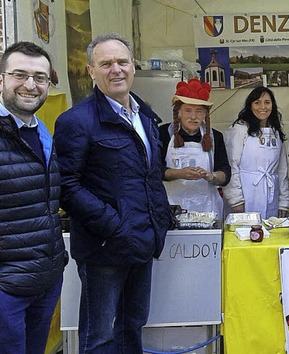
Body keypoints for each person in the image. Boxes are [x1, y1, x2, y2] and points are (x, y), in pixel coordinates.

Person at [54, 33, 172, 353]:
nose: (115, 69)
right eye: (106, 63)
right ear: (92, 71)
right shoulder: (75, 121)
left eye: (122, 61)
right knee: (101, 335)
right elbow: (66, 186)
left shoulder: (144, 116)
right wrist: (114, 226)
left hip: (143, 242)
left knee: (133, 325)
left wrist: (159, 221)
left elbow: (150, 176)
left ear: (133, 66)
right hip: (104, 248)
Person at [0, 41, 67, 354]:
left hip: (45, 281)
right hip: (6, 288)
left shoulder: (42, 133)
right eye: (19, 75)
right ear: (1, 79)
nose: (30, 85)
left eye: (40, 77)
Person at [159, 78, 231, 218]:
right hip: (172, 208)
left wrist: (211, 176)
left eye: (199, 111)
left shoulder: (215, 137)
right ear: (178, 112)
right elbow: (155, 170)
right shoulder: (163, 134)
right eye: (188, 110)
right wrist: (179, 173)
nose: (193, 117)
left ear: (205, 114)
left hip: (207, 209)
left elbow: (225, 172)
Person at [223, 86, 289, 219]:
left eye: (267, 102)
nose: (262, 107)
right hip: (246, 194)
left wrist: (284, 201)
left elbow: (282, 170)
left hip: (271, 194)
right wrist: (235, 199)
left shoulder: (275, 132)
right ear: (250, 105)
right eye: (257, 102)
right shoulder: (240, 129)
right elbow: (231, 164)